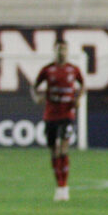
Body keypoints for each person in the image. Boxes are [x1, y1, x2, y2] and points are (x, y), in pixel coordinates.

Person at [31, 40, 85, 202]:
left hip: (67, 115)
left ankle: (64, 186)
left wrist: (78, 99)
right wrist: (36, 97)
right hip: (51, 116)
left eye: (64, 49)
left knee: (63, 149)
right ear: (54, 51)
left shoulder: (73, 70)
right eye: (59, 49)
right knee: (54, 151)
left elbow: (82, 86)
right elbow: (34, 87)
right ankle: (58, 186)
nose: (62, 52)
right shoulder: (48, 70)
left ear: (67, 51)